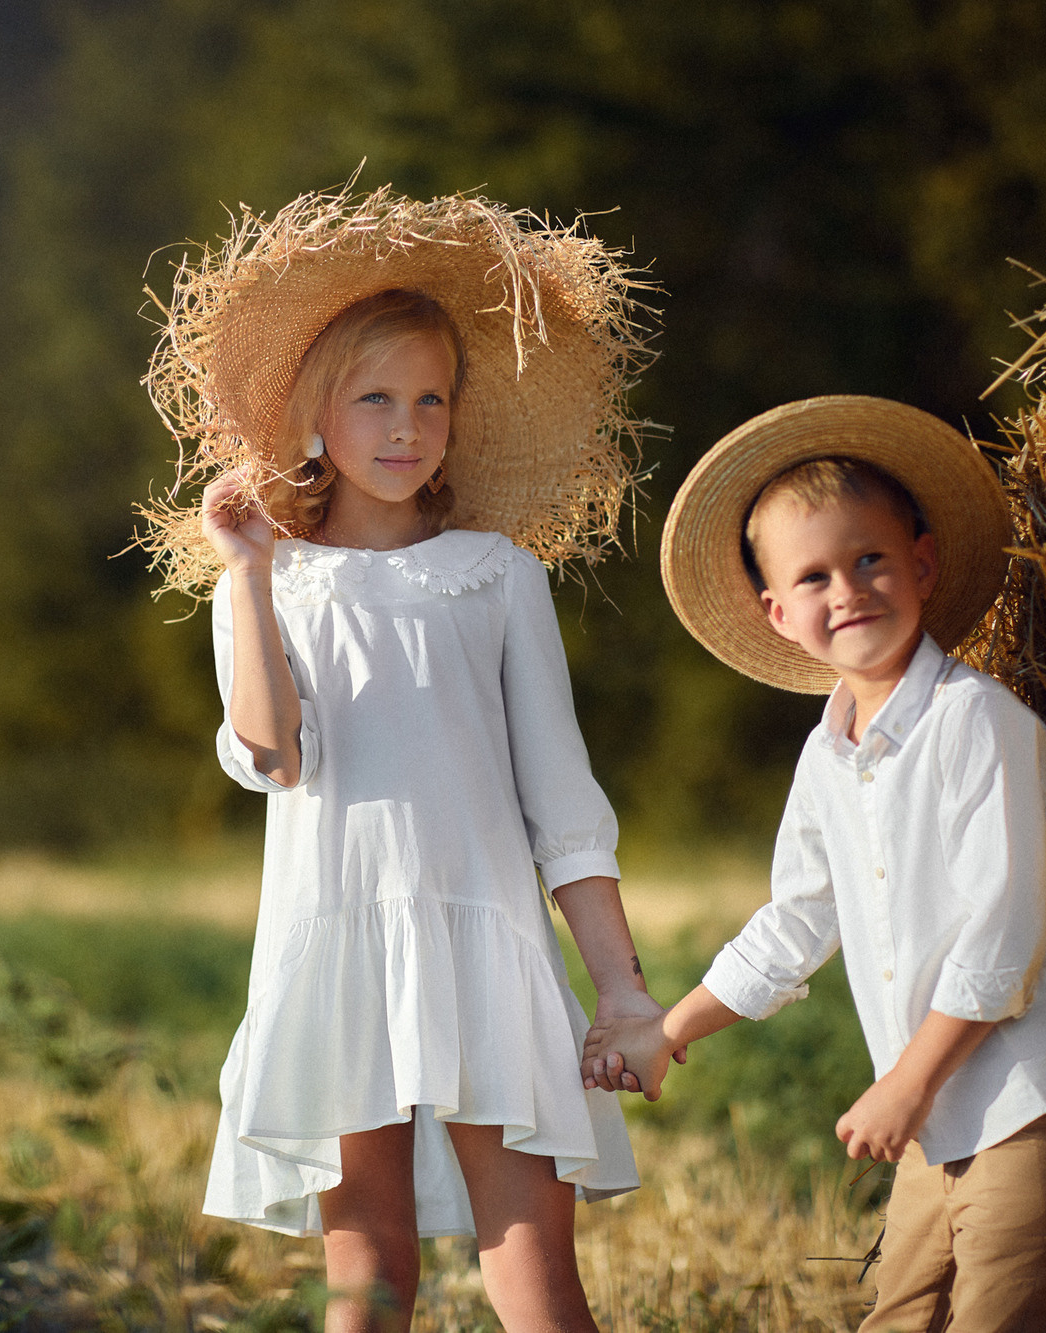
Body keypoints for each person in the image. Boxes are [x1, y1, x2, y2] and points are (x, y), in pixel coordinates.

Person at [140, 187, 661, 1333]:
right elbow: (274, 753)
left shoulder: (495, 574)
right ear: (314, 417)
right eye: (374, 397)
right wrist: (245, 569)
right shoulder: (271, 580)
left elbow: (562, 799)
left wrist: (617, 985)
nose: (404, 424)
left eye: (429, 399)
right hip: (336, 943)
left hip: (486, 938)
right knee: (366, 1274)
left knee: (536, 1263)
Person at [584, 397, 1046, 1332]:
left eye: (869, 558)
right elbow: (796, 920)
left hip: (1025, 1101)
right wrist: (670, 1030)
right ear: (778, 613)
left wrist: (906, 1083)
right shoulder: (827, 755)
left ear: (923, 561)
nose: (849, 589)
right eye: (816, 576)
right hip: (931, 1120)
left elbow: (1004, 936)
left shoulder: (978, 725)